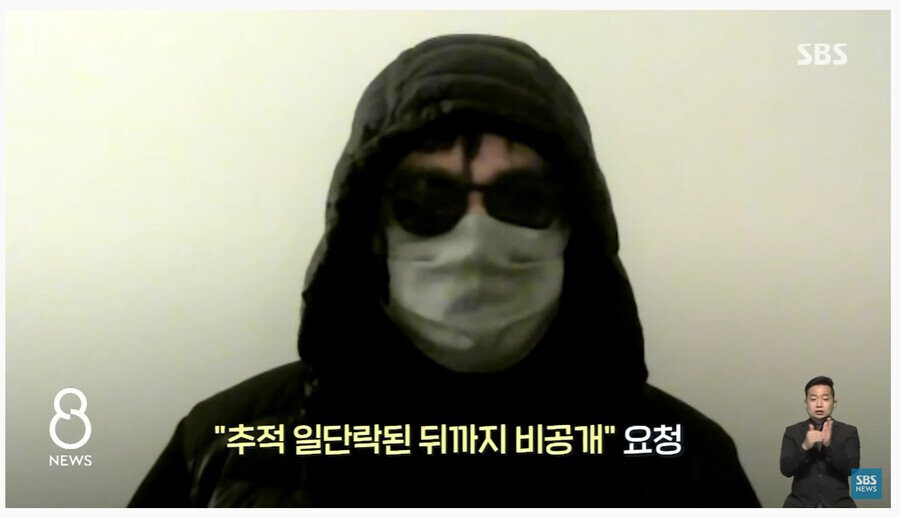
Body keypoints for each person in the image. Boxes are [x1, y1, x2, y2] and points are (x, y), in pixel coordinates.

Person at [129, 33, 760, 507]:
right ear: (369, 226)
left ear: (577, 224)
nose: (474, 237)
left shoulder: (685, 461)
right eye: (426, 200)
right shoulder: (227, 449)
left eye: (521, 198)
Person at [780, 375, 860, 507]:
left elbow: (853, 470)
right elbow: (786, 470)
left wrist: (829, 445)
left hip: (839, 506)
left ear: (834, 403)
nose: (819, 404)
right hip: (799, 505)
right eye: (813, 399)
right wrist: (805, 446)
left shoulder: (848, 431)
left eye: (825, 399)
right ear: (806, 403)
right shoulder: (792, 431)